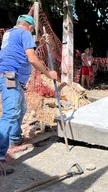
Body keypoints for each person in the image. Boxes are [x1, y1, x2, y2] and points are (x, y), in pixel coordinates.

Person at [0, 14, 57, 174]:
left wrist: (39, 43)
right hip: (11, 76)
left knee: (21, 108)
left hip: (8, 75)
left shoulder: (10, 33)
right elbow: (31, 58)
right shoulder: (25, 34)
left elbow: (23, 50)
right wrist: (48, 73)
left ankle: (15, 138)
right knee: (11, 113)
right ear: (30, 28)